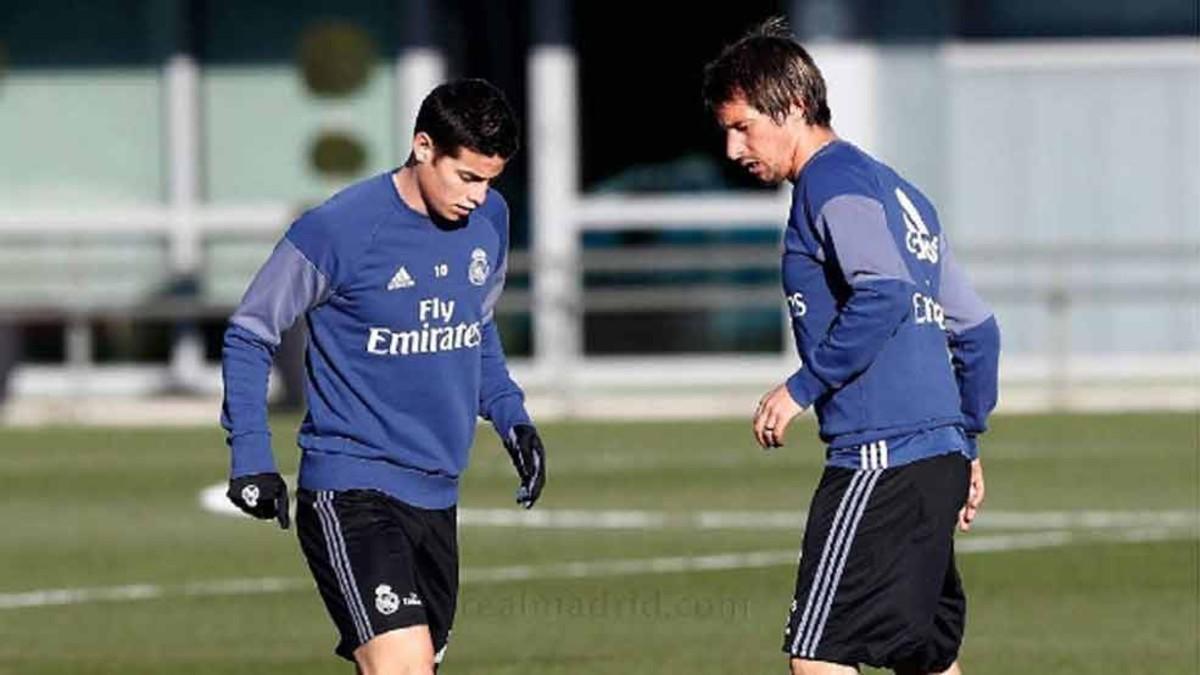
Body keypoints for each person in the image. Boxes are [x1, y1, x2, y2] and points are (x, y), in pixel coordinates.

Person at [703, 18, 1000, 675]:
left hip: (880, 460)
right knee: (923, 655)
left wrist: (800, 386)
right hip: (932, 460)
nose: (732, 148)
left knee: (820, 656)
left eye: (742, 125)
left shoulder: (829, 181)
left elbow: (884, 292)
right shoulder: (903, 194)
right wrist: (965, 439)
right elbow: (978, 331)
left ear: (794, 106)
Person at [220, 78, 546, 674]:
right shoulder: (338, 228)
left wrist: (511, 417)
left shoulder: (491, 220)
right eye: (467, 177)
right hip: (351, 489)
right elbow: (250, 333)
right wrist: (251, 458)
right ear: (424, 146)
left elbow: (474, 327)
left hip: (438, 495)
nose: (478, 196)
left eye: (490, 180)